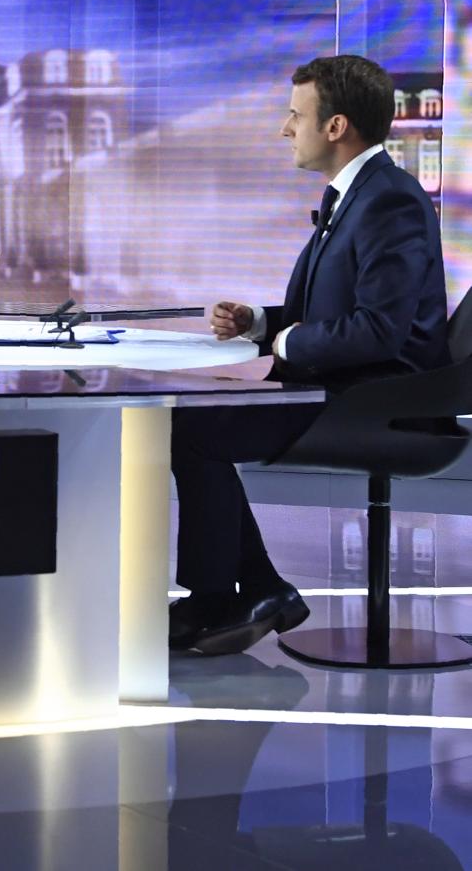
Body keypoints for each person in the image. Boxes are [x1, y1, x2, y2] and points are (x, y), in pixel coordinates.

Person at [169, 54, 450, 656]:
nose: (283, 128)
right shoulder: (359, 195)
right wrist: (262, 321)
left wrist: (287, 342)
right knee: (189, 423)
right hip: (348, 388)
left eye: (295, 115)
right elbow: (340, 307)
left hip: (380, 403)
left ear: (335, 126)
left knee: (191, 429)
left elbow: (380, 330)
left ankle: (225, 597)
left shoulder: (389, 201)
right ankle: (255, 589)